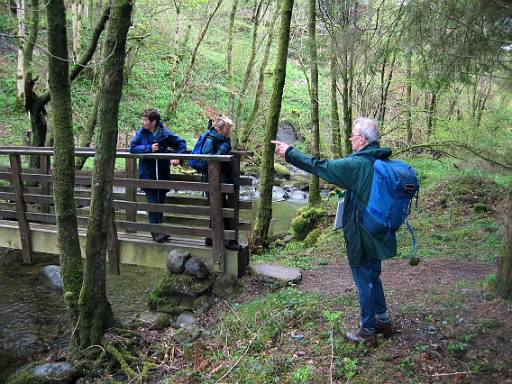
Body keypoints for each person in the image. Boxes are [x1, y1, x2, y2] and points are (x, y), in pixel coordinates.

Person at [272, 117, 395, 347]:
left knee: (364, 281)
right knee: (373, 276)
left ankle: (368, 331)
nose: (350, 139)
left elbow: (320, 167)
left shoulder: (356, 165)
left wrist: (290, 152)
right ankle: (383, 321)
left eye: (352, 135)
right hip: (380, 229)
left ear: (363, 139)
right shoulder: (382, 160)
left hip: (362, 233)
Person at [130, 108, 187, 243]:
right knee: (152, 203)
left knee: (160, 202)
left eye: (145, 120)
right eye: (142, 119)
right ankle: (155, 232)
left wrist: (178, 157)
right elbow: (133, 148)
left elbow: (181, 143)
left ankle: (159, 230)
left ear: (153, 122)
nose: (142, 122)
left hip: (162, 174)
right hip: (147, 175)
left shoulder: (165, 134)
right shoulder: (141, 134)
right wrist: (148, 148)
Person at [198, 115, 240, 251]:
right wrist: (224, 148)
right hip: (212, 181)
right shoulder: (211, 140)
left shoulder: (221, 139)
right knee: (221, 208)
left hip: (219, 179)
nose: (229, 132)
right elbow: (208, 160)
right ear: (219, 129)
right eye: (227, 129)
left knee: (218, 207)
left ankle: (210, 238)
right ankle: (228, 240)